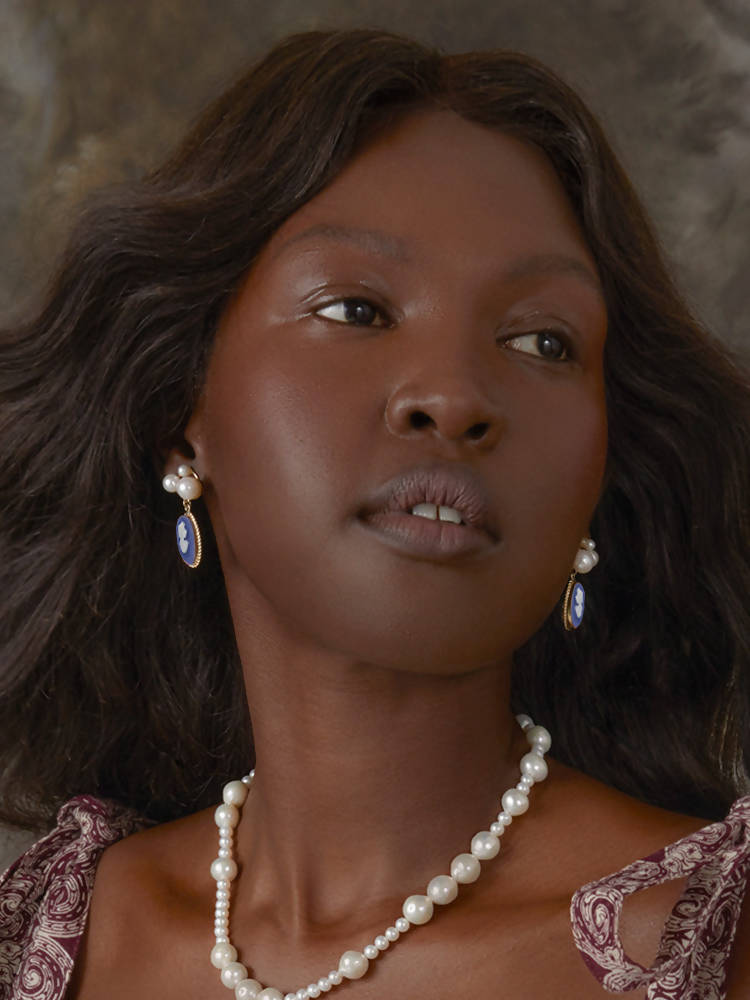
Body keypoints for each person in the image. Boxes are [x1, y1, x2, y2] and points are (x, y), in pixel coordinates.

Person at [0, 27, 748, 1000]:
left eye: (542, 340)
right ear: (180, 416)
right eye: (357, 310)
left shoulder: (711, 943)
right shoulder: (50, 937)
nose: (454, 395)